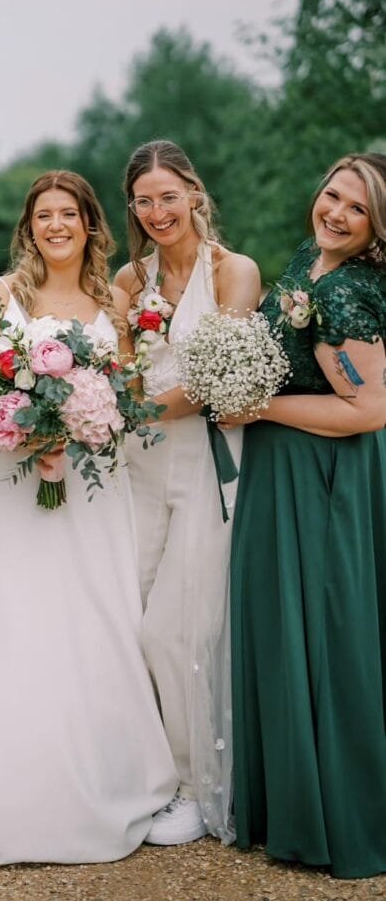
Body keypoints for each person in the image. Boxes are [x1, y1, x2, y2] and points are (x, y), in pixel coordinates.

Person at [0, 171, 178, 866]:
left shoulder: (113, 300)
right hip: (0, 480)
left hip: (86, 490)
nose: (56, 225)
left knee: (83, 619)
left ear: (90, 223)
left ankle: (86, 789)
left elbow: (130, 387)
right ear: (28, 227)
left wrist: (84, 418)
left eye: (69, 214)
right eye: (43, 215)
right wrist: (19, 428)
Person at [228, 153, 386, 879]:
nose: (336, 214)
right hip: (280, 472)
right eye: (332, 196)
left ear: (375, 226)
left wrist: (256, 404)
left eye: (357, 209)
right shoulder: (306, 264)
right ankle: (289, 805)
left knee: (327, 634)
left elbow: (369, 408)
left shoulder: (348, 292)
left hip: (325, 479)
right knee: (284, 630)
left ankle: (339, 816)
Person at [114, 140, 261, 845]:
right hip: (137, 469)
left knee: (178, 626)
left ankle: (201, 787)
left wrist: (142, 406)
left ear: (195, 194)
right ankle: (146, 775)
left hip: (208, 464)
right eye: (144, 200)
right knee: (125, 613)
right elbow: (111, 366)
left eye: (169, 196)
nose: (157, 211)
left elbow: (217, 378)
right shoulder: (126, 279)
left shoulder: (234, 272)